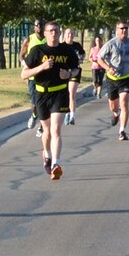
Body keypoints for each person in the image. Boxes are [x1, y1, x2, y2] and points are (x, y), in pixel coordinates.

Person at [21, 21, 72, 179]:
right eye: (50, 31)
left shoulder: (66, 50)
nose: (53, 33)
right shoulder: (37, 51)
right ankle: (48, 155)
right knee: (47, 131)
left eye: (56, 30)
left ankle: (56, 163)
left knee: (56, 129)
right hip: (42, 94)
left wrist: (68, 75)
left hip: (59, 93)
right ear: (44, 34)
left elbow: (76, 68)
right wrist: (41, 67)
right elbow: (24, 74)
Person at [95, 21, 129, 142]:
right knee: (113, 105)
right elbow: (99, 58)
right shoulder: (111, 44)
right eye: (121, 28)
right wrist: (108, 68)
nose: (124, 30)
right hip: (112, 78)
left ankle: (122, 130)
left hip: (126, 77)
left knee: (124, 102)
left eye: (126, 28)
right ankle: (116, 114)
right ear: (117, 30)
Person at [58, 29, 85, 125]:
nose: (70, 35)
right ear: (64, 35)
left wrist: (80, 59)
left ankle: (72, 116)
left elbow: (82, 54)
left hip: (75, 71)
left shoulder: (77, 46)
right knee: (65, 94)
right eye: (68, 33)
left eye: (72, 33)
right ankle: (67, 113)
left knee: (71, 93)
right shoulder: (61, 46)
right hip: (64, 72)